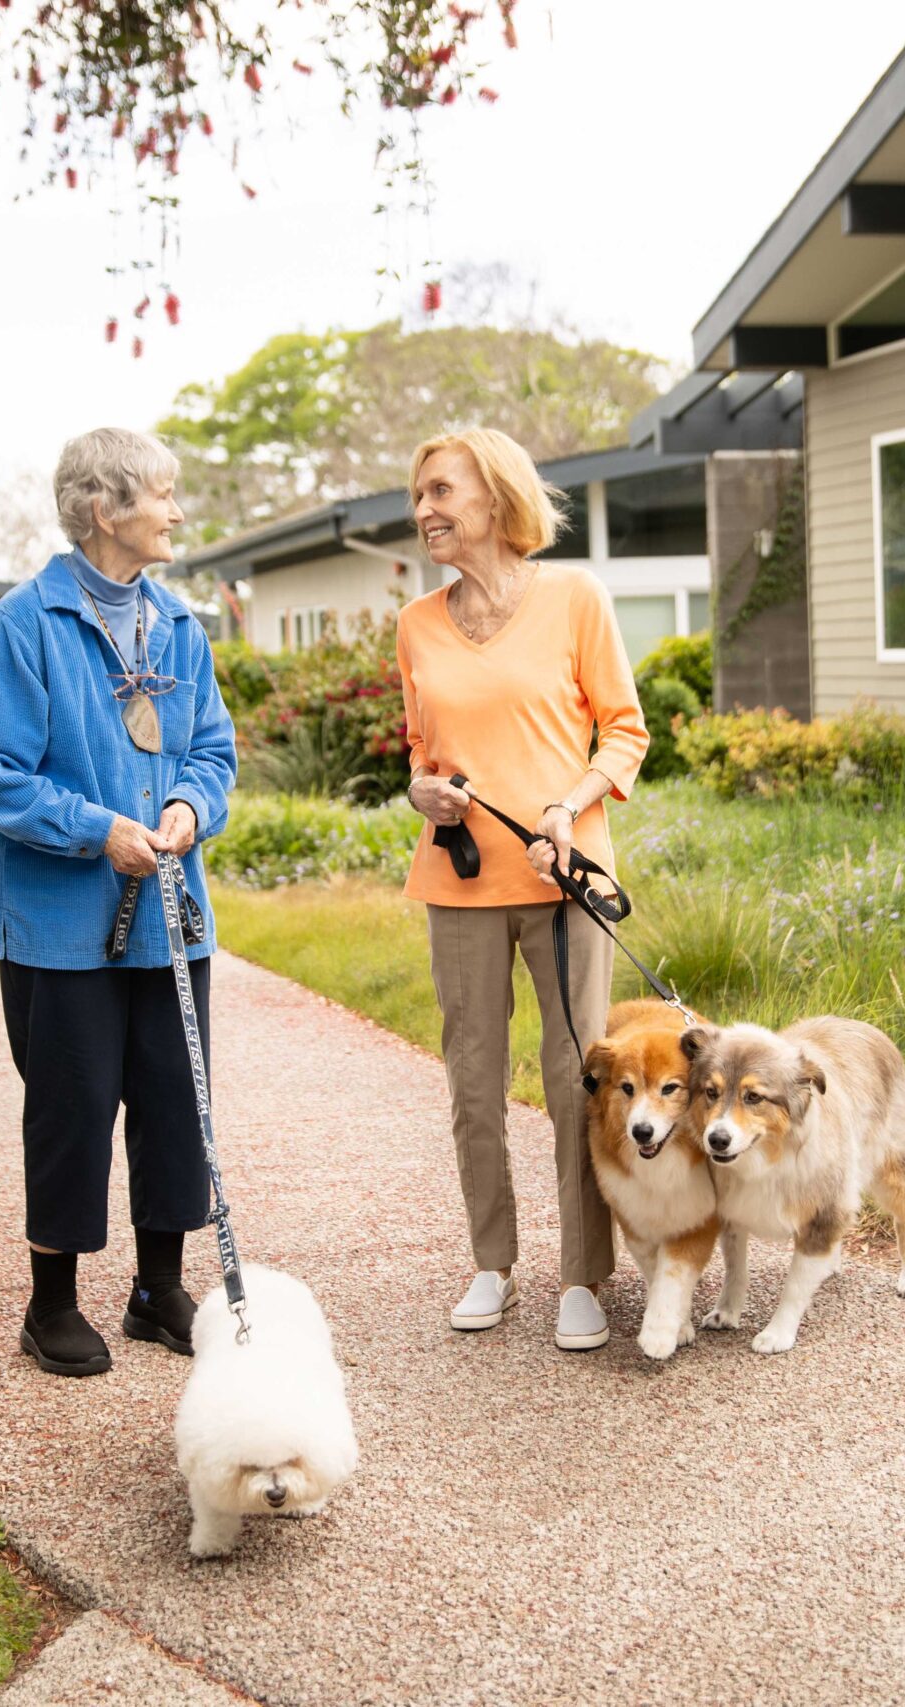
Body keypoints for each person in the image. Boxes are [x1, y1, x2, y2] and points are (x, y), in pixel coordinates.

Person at [0, 426, 238, 1378]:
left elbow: (213, 754)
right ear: (105, 508)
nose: (176, 510)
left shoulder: (183, 628)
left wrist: (188, 807)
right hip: (60, 929)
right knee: (70, 1111)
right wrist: (97, 828)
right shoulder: (21, 627)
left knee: (173, 1101)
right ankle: (52, 1304)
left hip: (172, 918)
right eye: (162, 493)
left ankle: (160, 1292)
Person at [396, 427, 650, 1351]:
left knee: (576, 1074)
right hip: (459, 878)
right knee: (473, 1082)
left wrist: (569, 805)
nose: (424, 509)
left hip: (562, 878)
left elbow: (624, 732)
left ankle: (582, 1274)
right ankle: (493, 1263)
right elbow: (423, 749)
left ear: (496, 498)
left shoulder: (576, 597)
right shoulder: (418, 622)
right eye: (418, 494)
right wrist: (422, 787)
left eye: (440, 490)